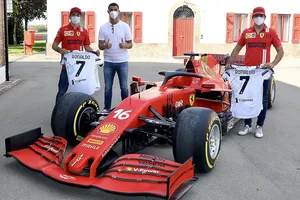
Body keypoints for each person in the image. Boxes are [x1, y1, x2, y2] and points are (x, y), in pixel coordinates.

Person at [226, 6, 284, 138]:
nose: (259, 18)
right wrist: (229, 63)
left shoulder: (271, 32)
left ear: (264, 17)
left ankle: (259, 126)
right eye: (256, 15)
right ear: (253, 17)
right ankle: (247, 125)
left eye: (261, 15)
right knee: (248, 98)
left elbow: (281, 51)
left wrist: (273, 64)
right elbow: (237, 49)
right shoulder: (247, 32)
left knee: (263, 100)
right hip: (249, 72)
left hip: (263, 72)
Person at [52, 7, 100, 103]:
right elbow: (54, 45)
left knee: (80, 92)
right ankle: (57, 112)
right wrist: (60, 49)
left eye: (78, 15)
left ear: (80, 17)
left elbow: (87, 47)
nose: (75, 17)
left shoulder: (84, 31)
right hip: (67, 66)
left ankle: (78, 110)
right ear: (70, 16)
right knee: (62, 90)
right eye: (73, 15)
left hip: (80, 68)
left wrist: (94, 52)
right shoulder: (63, 30)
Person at [98, 2, 133, 112]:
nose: (113, 12)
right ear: (108, 12)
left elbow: (130, 44)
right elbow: (100, 45)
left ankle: (126, 108)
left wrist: (125, 45)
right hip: (108, 62)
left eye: (115, 9)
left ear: (118, 11)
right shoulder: (103, 27)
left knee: (124, 87)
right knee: (108, 87)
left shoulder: (125, 26)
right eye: (111, 10)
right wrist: (105, 45)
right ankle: (106, 109)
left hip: (122, 62)